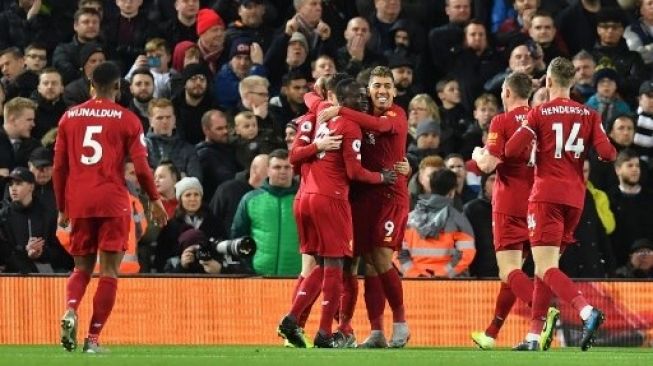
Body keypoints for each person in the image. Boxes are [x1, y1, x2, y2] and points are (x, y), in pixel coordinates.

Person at [53, 62, 167, 353]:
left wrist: (61, 207)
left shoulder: (69, 118)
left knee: (81, 268)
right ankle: (92, 340)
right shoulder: (128, 120)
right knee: (109, 272)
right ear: (118, 86)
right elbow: (141, 167)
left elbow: (59, 168)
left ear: (91, 86)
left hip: (78, 200)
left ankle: (70, 309)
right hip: (112, 199)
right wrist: (154, 199)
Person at [505, 56, 617, 351]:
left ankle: (586, 311)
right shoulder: (590, 114)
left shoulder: (538, 113)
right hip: (576, 199)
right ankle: (533, 336)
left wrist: (531, 139)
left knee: (544, 266)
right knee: (547, 266)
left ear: (549, 81)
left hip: (545, 196)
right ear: (572, 82)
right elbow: (608, 154)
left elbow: (512, 149)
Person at [277, 78, 396, 348]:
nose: (363, 98)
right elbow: (354, 172)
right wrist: (382, 177)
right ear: (339, 98)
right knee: (335, 266)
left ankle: (295, 318)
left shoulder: (317, 117)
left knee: (320, 265)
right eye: (356, 94)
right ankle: (323, 332)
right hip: (331, 199)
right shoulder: (349, 125)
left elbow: (295, 152)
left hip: (305, 196)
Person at [471, 71, 550, 351]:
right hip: (539, 202)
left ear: (506, 91)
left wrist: (477, 154)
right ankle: (491, 333)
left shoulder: (502, 121)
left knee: (508, 271)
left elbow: (488, 165)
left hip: (508, 203)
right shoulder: (543, 120)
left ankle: (543, 312)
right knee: (517, 273)